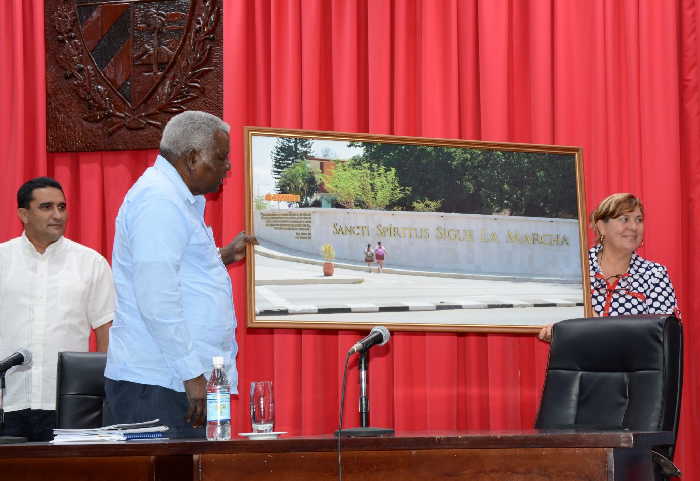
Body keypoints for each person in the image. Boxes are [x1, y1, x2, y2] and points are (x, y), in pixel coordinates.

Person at [104, 111, 256, 438]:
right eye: (221, 157)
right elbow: (156, 297)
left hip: (174, 380)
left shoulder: (177, 199)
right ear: (191, 158)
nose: (228, 166)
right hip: (160, 383)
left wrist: (222, 256)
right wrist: (192, 374)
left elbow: (174, 269)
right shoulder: (159, 200)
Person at [0, 177, 114, 441]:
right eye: (46, 207)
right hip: (7, 402)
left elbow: (106, 333)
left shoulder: (90, 263)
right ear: (23, 214)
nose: (57, 215)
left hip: (69, 405)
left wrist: (101, 394)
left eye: (62, 207)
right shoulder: (3, 260)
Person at [538, 193, 678, 342]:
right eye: (624, 219)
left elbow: (666, 335)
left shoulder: (654, 274)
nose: (633, 227)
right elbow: (553, 315)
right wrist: (556, 330)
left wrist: (596, 326)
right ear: (601, 227)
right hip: (576, 363)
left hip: (633, 364)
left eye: (639, 220)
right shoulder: (574, 267)